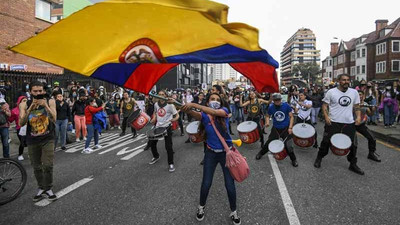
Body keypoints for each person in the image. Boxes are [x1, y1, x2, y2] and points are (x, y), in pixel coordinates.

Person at [181, 92, 241, 225]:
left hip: (226, 154)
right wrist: (182, 106)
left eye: (217, 99)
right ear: (207, 102)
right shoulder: (204, 116)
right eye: (212, 99)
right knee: (206, 183)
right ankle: (201, 207)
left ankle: (234, 211)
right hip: (211, 154)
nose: (215, 101)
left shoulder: (224, 111)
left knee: (229, 185)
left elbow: (214, 111)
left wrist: (195, 104)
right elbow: (193, 113)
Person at [314, 74, 364, 175]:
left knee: (353, 145)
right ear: (338, 81)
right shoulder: (331, 92)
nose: (346, 82)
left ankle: (353, 164)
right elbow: (324, 105)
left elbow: (357, 106)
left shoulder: (354, 92)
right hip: (333, 122)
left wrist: (358, 117)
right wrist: (326, 117)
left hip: (349, 123)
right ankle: (319, 158)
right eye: (344, 80)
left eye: (347, 80)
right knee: (326, 142)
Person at [19, 80, 57, 201]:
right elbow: (21, 122)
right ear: (30, 92)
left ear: (44, 91)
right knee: (36, 166)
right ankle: (41, 187)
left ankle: (48, 188)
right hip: (32, 140)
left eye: (40, 91)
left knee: (47, 165)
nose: (38, 93)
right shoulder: (24, 104)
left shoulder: (50, 101)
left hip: (48, 138)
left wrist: (45, 105)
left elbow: (54, 119)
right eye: (35, 91)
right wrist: (30, 108)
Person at [255, 93, 298, 167]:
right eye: (275, 100)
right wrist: (267, 122)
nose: (277, 101)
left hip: (286, 128)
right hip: (276, 128)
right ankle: (261, 153)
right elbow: (267, 116)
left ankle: (293, 159)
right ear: (273, 101)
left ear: (281, 99)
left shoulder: (286, 106)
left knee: (289, 146)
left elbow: (291, 117)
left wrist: (290, 127)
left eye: (278, 100)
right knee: (269, 143)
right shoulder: (271, 107)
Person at [148, 90, 179, 172]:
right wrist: (154, 117)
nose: (161, 96)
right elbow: (155, 112)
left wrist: (174, 119)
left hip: (167, 127)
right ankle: (156, 156)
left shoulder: (170, 105)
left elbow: (177, 115)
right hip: (158, 126)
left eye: (162, 94)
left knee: (168, 146)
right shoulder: (156, 104)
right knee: (152, 143)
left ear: (165, 96)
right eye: (159, 94)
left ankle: (171, 164)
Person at [355, 91, 381, 162]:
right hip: (352, 124)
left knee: (372, 138)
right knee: (353, 142)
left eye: (361, 95)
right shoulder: (352, 103)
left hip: (361, 125)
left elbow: (370, 114)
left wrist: (373, 110)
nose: (360, 96)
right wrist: (358, 107)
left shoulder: (366, 104)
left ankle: (371, 154)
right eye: (358, 95)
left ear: (363, 96)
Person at [8, 96, 27, 160]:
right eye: (24, 101)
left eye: (26, 101)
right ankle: (20, 154)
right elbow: (10, 120)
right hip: (20, 128)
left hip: (29, 127)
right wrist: (8, 114)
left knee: (30, 141)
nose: (25, 102)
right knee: (22, 142)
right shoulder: (14, 110)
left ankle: (31, 153)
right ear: (19, 102)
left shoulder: (29, 108)